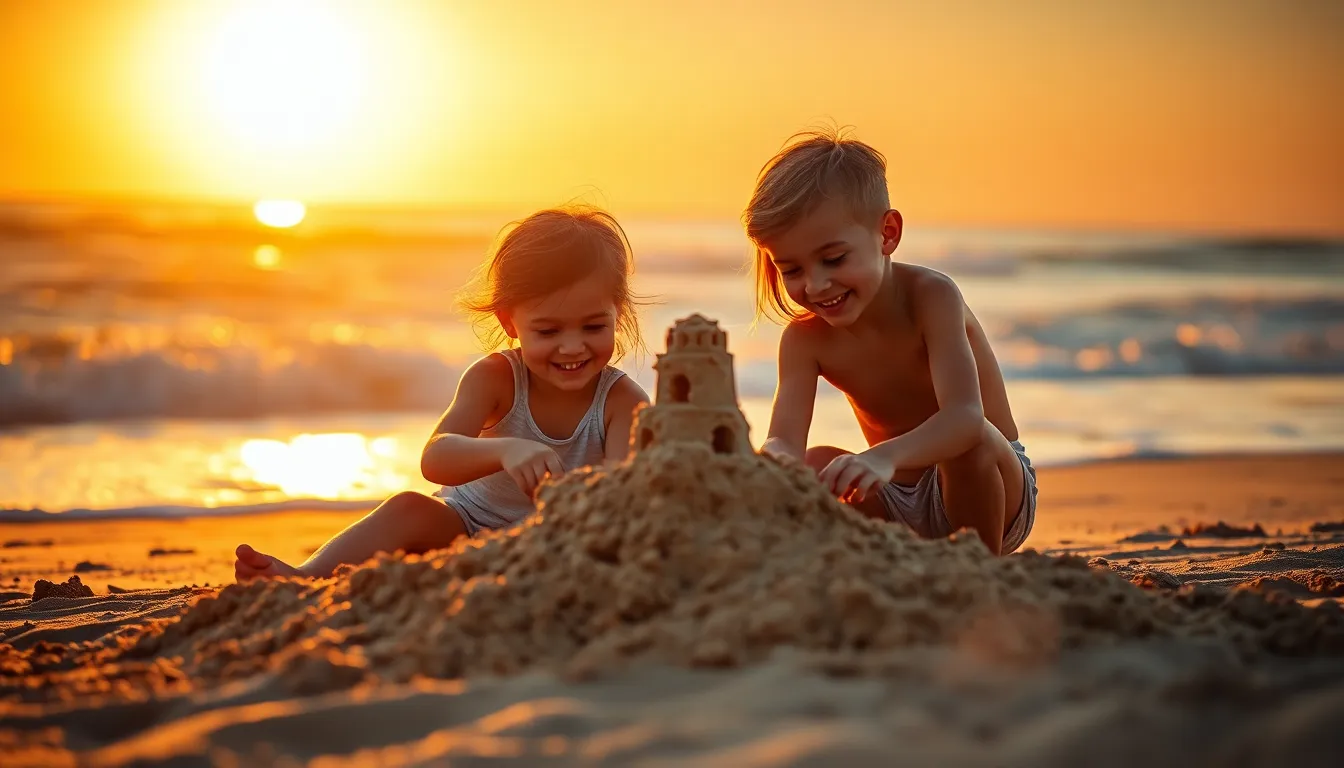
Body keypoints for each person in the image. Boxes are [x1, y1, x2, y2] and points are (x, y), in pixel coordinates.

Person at [235, 206, 651, 580]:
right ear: (510, 322)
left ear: (618, 311)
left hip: (558, 546)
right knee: (407, 507)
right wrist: (506, 451)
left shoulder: (621, 402)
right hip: (464, 526)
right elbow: (435, 458)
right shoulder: (496, 378)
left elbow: (620, 499)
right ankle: (303, 578)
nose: (573, 346)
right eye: (548, 331)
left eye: (594, 327)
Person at [746, 128, 1037, 555]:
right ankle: (868, 562)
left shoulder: (931, 297)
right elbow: (784, 441)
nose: (816, 284)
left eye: (833, 259)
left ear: (887, 234)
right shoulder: (805, 341)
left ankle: (980, 572)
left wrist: (882, 457)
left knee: (969, 442)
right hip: (894, 499)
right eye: (791, 270)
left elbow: (966, 418)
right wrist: (767, 459)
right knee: (814, 463)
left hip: (991, 486)